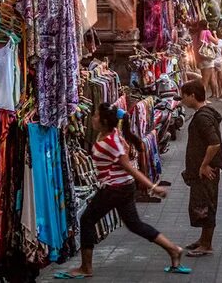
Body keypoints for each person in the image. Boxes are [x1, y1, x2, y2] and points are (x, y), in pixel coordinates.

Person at [59, 102, 191, 278]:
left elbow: (129, 167)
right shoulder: (110, 134)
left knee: (87, 220)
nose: (93, 118)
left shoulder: (110, 141)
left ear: (104, 121)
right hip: (121, 187)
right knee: (135, 224)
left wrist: (152, 187)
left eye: (96, 115)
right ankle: (173, 250)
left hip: (115, 189)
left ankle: (86, 267)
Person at [181, 80, 222, 258]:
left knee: (206, 204)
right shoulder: (206, 113)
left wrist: (204, 164)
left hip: (207, 172)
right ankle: (203, 240)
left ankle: (206, 244)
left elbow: (214, 143)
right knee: (202, 203)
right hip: (203, 170)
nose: (182, 99)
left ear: (192, 96)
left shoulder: (202, 118)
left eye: (184, 96)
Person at [194, 20, 218, 101]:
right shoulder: (207, 32)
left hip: (201, 58)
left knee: (204, 78)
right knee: (205, 81)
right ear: (206, 25)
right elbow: (216, 42)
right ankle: (203, 98)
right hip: (207, 58)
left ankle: (204, 97)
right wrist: (214, 34)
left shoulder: (197, 34)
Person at [213, 26, 222, 99]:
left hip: (213, 61)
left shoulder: (211, 42)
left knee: (215, 78)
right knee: (221, 78)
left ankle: (216, 93)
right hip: (220, 61)